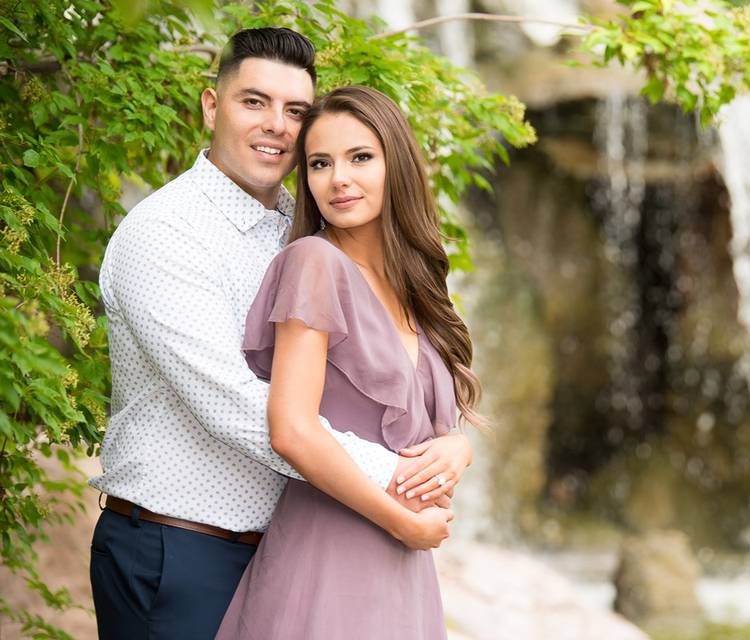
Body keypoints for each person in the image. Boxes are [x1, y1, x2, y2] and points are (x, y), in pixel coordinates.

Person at [89, 28, 472, 639]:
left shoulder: (303, 237)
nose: (277, 125)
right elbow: (239, 406)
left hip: (294, 544)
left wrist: (453, 448)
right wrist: (402, 482)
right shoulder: (164, 234)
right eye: (254, 101)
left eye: (295, 111)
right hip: (181, 548)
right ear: (211, 105)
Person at [214, 85, 485, 639]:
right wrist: (403, 524)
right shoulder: (314, 263)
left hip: (406, 567)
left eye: (360, 157)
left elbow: (429, 434)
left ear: (398, 164)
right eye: (320, 163)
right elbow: (290, 430)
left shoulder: (419, 287)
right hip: (329, 554)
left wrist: (458, 447)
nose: (338, 178)